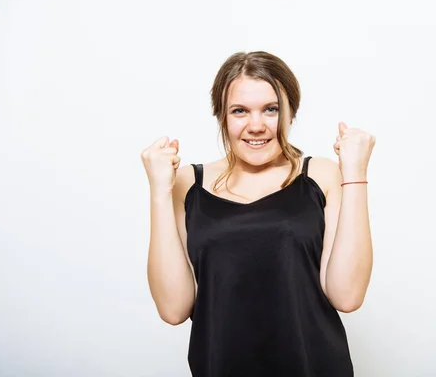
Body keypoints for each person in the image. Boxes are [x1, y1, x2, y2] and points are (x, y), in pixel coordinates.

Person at [140, 51, 375, 377]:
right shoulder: (186, 184)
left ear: (291, 113)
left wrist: (356, 173)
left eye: (271, 109)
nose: (256, 126)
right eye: (240, 111)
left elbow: (347, 296)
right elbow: (173, 309)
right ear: (221, 116)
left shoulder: (322, 176)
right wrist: (158, 192)